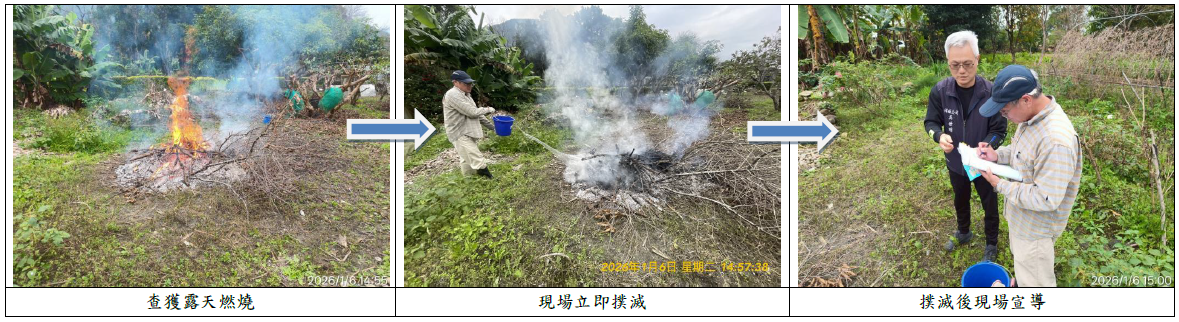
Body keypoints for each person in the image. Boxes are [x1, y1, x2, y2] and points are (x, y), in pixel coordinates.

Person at [975, 64, 1082, 287]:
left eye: (1004, 111)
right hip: (1021, 221)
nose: (1004, 116)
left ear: (1025, 100)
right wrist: (997, 155)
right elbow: (1022, 153)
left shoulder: (1055, 141)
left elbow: (1046, 198)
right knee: (1025, 272)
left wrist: (998, 184)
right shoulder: (1031, 118)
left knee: (1036, 288)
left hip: (1035, 233)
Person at [923, 30, 1008, 262]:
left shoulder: (991, 93)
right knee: (960, 198)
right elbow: (930, 122)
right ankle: (963, 231)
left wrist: (988, 145)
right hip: (955, 162)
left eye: (968, 64)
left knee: (989, 202)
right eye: (955, 65)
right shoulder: (940, 91)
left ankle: (991, 243)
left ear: (977, 59)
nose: (961, 71)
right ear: (948, 62)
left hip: (982, 163)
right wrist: (938, 135)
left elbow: (999, 129)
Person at [443, 70, 497, 179]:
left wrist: (493, 127)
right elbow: (472, 112)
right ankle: (489, 179)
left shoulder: (466, 95)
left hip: (467, 131)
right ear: (455, 82)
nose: (469, 86)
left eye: (470, 83)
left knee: (466, 157)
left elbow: (477, 114)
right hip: (459, 132)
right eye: (466, 83)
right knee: (476, 157)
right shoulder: (452, 94)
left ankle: (468, 180)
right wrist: (488, 109)